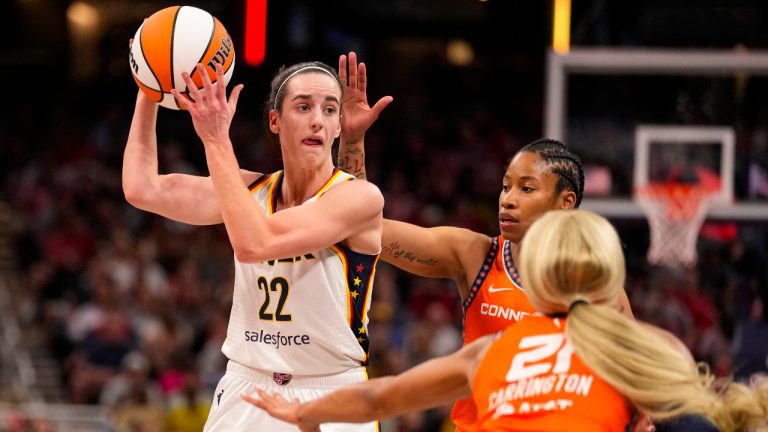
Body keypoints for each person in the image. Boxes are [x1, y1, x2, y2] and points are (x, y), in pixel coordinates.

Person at [242, 210, 768, 432]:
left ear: (537, 278)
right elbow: (698, 416)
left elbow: (379, 398)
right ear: (610, 277)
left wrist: (303, 414)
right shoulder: (646, 348)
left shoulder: (492, 352)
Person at [335, 54, 633, 431]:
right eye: (506, 186)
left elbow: (633, 385)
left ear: (566, 202)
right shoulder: (476, 256)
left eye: (526, 189)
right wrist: (353, 140)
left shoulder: (597, 287)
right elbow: (361, 228)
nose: (507, 198)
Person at [122, 52, 391, 431]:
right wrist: (149, 82)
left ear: (338, 127)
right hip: (247, 386)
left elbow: (254, 243)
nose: (318, 118)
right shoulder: (250, 190)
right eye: (303, 106)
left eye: (330, 109)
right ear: (275, 121)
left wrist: (215, 138)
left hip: (329, 392)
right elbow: (141, 188)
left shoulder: (360, 198)